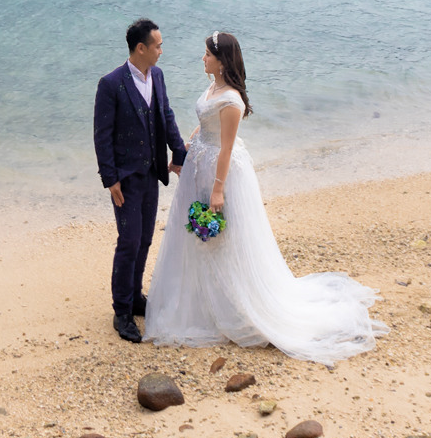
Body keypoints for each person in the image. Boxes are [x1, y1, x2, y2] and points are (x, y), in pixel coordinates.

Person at [143, 31, 384, 365]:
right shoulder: (214, 88)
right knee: (200, 236)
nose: (202, 58)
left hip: (220, 172)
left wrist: (217, 189)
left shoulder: (232, 101)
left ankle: (232, 306)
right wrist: (185, 151)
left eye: (207, 54)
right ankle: (204, 298)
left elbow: (226, 147)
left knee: (221, 236)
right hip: (200, 163)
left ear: (222, 60)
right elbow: (204, 125)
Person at [92, 18, 187, 343]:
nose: (162, 50)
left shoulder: (157, 76)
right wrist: (110, 179)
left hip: (151, 173)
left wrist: (178, 153)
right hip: (125, 179)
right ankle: (121, 311)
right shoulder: (111, 83)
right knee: (129, 240)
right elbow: (102, 135)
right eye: (158, 45)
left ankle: (135, 297)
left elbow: (166, 114)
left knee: (145, 239)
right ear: (141, 48)